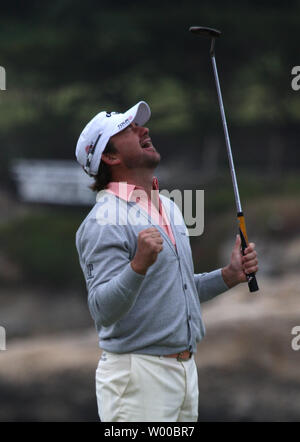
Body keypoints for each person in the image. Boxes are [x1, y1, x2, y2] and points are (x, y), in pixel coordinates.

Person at [75, 101, 258, 422]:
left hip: (185, 373)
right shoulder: (102, 221)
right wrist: (137, 267)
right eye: (128, 129)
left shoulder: (169, 209)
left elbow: (176, 291)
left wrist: (228, 276)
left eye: (138, 125)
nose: (143, 130)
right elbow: (102, 310)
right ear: (111, 156)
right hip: (137, 377)